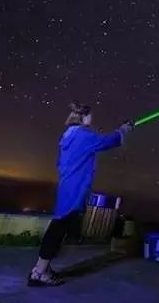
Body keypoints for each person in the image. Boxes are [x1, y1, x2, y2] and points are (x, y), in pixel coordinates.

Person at [27, 101, 135, 287]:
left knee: (58, 228)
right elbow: (107, 141)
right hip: (75, 190)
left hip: (67, 187)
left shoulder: (68, 136)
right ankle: (39, 272)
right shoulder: (83, 136)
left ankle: (42, 269)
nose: (92, 118)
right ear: (84, 117)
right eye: (90, 115)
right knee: (57, 230)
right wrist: (123, 130)